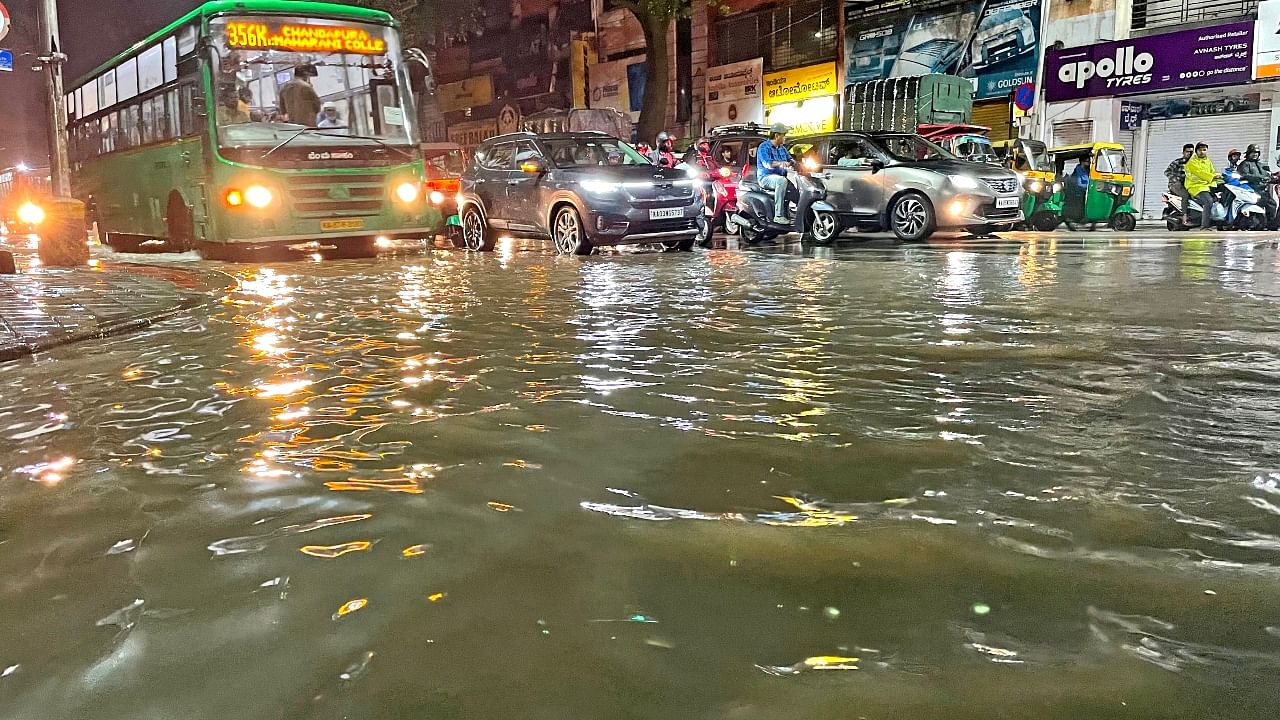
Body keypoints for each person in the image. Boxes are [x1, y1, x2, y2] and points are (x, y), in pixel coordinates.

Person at [756, 122, 793, 225]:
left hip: (780, 177)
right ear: (777, 135)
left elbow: (790, 159)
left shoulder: (782, 148)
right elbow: (767, 164)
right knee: (781, 181)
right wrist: (781, 163)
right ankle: (778, 215)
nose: (785, 137)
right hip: (765, 178)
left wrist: (797, 163)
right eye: (783, 134)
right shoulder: (763, 147)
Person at [1237, 143, 1276, 229]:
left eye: (1257, 152)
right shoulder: (1245, 164)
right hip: (1251, 190)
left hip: (1263, 190)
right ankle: (1253, 225)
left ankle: (1271, 225)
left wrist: (1271, 178)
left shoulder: (1262, 165)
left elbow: (1268, 174)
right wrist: (1259, 178)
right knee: (1254, 210)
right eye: (1253, 152)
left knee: (1272, 204)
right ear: (1248, 153)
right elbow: (1244, 175)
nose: (1255, 154)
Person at [1184, 142, 1222, 230]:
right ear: (1196, 151)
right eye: (1200, 150)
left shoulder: (1207, 161)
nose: (1202, 152)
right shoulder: (1192, 162)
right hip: (1195, 186)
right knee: (1208, 201)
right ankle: (1204, 226)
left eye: (1204, 150)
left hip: (1206, 185)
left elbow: (1212, 171)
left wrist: (1220, 176)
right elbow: (1200, 173)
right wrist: (1213, 176)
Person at [1166, 143, 1194, 224]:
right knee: (1185, 195)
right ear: (1183, 152)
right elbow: (1167, 172)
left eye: (1191, 152)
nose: (1189, 154)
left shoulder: (1194, 163)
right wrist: (1175, 179)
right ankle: (1184, 215)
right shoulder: (1177, 162)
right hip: (1176, 185)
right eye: (1187, 151)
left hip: (1188, 184)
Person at [1063, 157, 1090, 229]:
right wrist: (1088, 187)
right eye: (1087, 161)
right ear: (1082, 162)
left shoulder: (1087, 170)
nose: (1089, 163)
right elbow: (1078, 184)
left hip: (1085, 193)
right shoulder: (1078, 171)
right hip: (1077, 193)